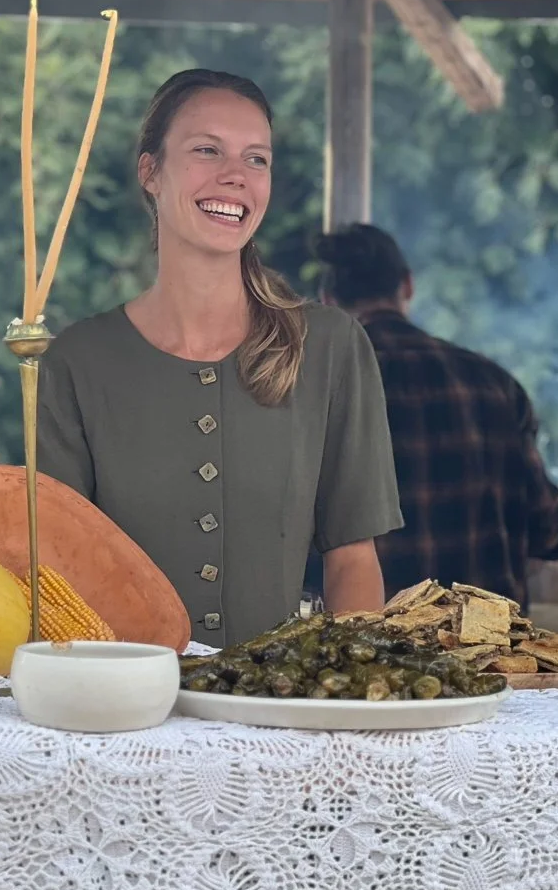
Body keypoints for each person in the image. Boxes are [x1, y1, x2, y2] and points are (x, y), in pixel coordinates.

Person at [37, 69, 403, 648]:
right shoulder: (76, 363)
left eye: (257, 159)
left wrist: (348, 692)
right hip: (125, 697)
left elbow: (353, 561)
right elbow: (58, 574)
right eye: (207, 150)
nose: (236, 176)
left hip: (281, 697)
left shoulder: (331, 346)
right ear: (150, 172)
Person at [314, 222, 558, 611]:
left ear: (327, 300)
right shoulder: (494, 383)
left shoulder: (316, 388)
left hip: (367, 639)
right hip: (487, 639)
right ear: (407, 285)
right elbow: (549, 534)